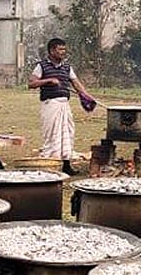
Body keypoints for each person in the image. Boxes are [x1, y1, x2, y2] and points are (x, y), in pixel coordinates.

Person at [29, 37, 96, 176]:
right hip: (50, 104)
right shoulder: (41, 66)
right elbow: (31, 83)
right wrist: (49, 80)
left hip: (64, 104)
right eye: (60, 49)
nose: (63, 52)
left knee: (67, 134)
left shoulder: (67, 67)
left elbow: (76, 83)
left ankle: (66, 165)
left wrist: (86, 96)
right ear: (52, 50)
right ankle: (49, 166)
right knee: (52, 135)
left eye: (64, 49)